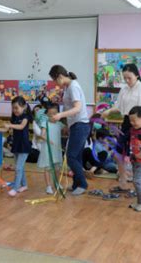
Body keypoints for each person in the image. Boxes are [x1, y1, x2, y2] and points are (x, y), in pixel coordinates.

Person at [102, 64, 141, 194]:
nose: (127, 80)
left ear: (137, 75)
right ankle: (123, 183)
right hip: (127, 123)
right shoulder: (124, 89)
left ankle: (136, 185)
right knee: (118, 153)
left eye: (129, 78)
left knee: (136, 155)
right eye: (125, 78)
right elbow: (118, 106)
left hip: (140, 124)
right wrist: (108, 111)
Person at [49, 65, 91, 196]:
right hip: (76, 125)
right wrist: (68, 125)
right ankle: (77, 184)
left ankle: (83, 183)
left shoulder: (73, 87)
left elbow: (77, 108)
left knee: (71, 157)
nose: (55, 84)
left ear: (60, 77)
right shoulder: (68, 87)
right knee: (76, 157)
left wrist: (60, 115)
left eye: (55, 81)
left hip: (81, 125)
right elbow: (71, 107)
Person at [0, 96, 32, 197]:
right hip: (16, 145)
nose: (14, 110)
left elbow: (21, 126)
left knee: (18, 168)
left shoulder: (25, 117)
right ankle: (24, 185)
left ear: (23, 107)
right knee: (20, 167)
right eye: (13, 108)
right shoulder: (14, 118)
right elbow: (5, 130)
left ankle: (15, 188)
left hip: (24, 146)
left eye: (16, 108)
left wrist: (10, 125)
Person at [37, 103, 64, 194]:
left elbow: (66, 131)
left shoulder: (60, 124)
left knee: (57, 168)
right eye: (50, 114)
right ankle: (48, 186)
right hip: (48, 149)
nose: (53, 116)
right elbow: (42, 135)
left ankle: (56, 183)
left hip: (57, 149)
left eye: (55, 113)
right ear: (47, 115)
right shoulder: (45, 123)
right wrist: (48, 140)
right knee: (48, 168)